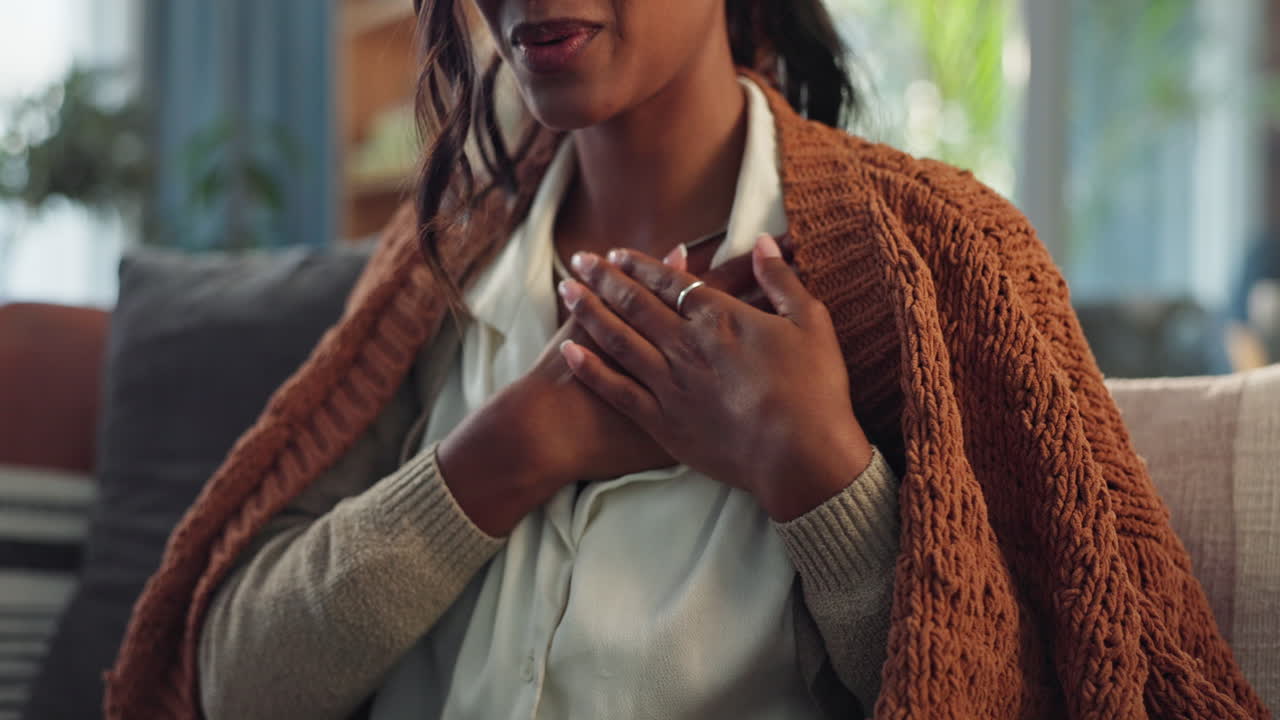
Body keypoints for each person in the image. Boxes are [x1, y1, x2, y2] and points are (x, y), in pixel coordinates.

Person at [105, 1, 1266, 719]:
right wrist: (504, 453)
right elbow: (231, 686)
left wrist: (821, 478)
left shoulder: (937, 264)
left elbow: (1044, 697)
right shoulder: (434, 270)